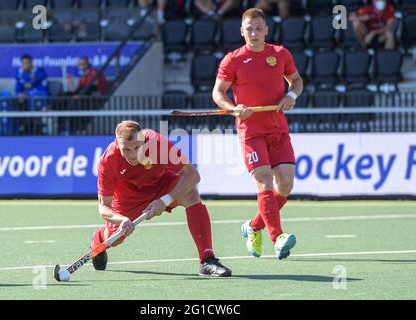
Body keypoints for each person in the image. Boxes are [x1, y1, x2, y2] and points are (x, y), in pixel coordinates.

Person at [212, 8, 303, 259]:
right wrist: (233, 109)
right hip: (251, 132)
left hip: (278, 129)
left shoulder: (280, 54)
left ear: (266, 30)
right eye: (249, 29)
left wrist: (290, 95)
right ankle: (277, 238)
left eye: (258, 28)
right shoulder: (232, 60)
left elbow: (296, 81)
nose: (253, 33)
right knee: (264, 180)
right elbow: (218, 93)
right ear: (242, 31)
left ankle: (253, 227)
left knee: (284, 185)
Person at [91, 120, 232, 277]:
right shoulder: (108, 160)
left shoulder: (157, 143)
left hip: (161, 184)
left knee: (191, 194)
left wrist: (165, 200)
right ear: (117, 143)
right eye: (127, 149)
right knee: (115, 238)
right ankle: (98, 239)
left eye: (137, 147)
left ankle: (207, 260)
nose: (133, 155)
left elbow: (192, 175)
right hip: (128, 196)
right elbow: (103, 206)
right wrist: (121, 219)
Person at [64, 56, 109, 134]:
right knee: (65, 97)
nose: (81, 66)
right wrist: (71, 82)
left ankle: (76, 129)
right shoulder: (82, 77)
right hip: (84, 97)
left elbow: (93, 85)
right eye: (80, 64)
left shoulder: (93, 72)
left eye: (83, 64)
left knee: (76, 104)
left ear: (87, 64)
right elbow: (76, 91)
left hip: (95, 98)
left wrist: (78, 96)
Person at [14, 54, 49, 134]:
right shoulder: (20, 73)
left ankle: (36, 130)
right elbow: (18, 87)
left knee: (35, 101)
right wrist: (19, 94)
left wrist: (34, 76)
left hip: (38, 100)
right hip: (25, 101)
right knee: (16, 104)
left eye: (27, 63)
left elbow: (43, 89)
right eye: (24, 63)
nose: (26, 65)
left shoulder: (39, 72)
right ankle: (19, 129)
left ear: (31, 63)